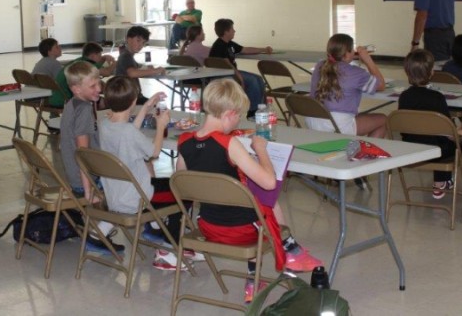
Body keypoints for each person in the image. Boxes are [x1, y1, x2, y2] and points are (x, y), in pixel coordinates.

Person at [176, 79, 322, 304]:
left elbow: (183, 185)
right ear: (229, 114)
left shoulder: (184, 142)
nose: (238, 121)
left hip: (208, 226)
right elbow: (269, 182)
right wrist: (260, 150)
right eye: (239, 116)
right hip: (243, 231)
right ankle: (288, 251)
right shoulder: (228, 143)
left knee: (249, 203)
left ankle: (268, 269)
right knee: (268, 200)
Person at [99, 78, 194, 270]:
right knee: (184, 192)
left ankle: (158, 227)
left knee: (169, 185)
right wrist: (161, 126)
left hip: (116, 194)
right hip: (138, 198)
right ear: (133, 100)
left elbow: (129, 131)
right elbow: (154, 153)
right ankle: (169, 249)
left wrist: (146, 106)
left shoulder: (104, 124)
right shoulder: (128, 133)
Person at [59, 60, 125, 255]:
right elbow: (83, 154)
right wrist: (88, 191)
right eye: (93, 86)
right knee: (132, 189)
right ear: (77, 89)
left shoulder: (74, 103)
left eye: (99, 83)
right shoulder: (84, 110)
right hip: (86, 179)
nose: (99, 89)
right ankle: (97, 235)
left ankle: (99, 229)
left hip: (77, 175)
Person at [398, 49, 462, 199]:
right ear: (431, 72)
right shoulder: (437, 97)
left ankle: (443, 182)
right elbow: (448, 132)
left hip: (411, 148)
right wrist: (461, 134)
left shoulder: (404, 97)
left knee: (436, 136)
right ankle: (440, 182)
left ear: (407, 72)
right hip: (437, 151)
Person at [309, 34, 387, 139]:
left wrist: (348, 57)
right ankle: (366, 148)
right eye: (352, 49)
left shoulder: (320, 65)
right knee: (383, 119)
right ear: (347, 53)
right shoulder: (356, 72)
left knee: (360, 116)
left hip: (314, 120)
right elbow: (381, 85)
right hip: (338, 125)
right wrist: (368, 60)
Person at [208, 18, 271, 118]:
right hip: (223, 74)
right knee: (252, 80)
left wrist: (264, 49)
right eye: (232, 29)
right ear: (226, 32)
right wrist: (240, 78)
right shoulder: (219, 45)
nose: (234, 31)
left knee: (259, 79)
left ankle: (261, 109)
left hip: (231, 72)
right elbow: (227, 65)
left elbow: (245, 49)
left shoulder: (229, 43)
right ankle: (252, 112)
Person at [50, 42, 116, 107]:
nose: (101, 57)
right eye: (99, 55)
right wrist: (115, 63)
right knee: (108, 99)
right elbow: (107, 72)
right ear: (93, 55)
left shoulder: (80, 61)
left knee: (97, 84)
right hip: (66, 100)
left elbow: (97, 66)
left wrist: (103, 58)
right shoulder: (87, 65)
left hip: (55, 98)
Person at [116, 26, 165, 105]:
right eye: (138, 40)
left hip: (133, 96)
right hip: (127, 98)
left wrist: (147, 68)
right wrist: (156, 70)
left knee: (155, 104)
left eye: (143, 43)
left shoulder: (129, 55)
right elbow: (132, 73)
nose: (140, 45)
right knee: (158, 106)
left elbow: (136, 68)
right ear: (128, 39)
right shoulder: (125, 56)